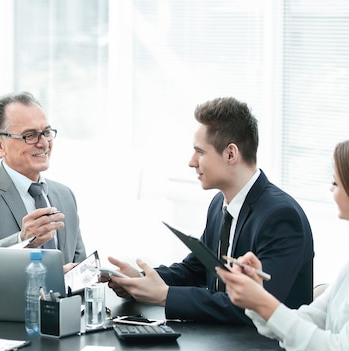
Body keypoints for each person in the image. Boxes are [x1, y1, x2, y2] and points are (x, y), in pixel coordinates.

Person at [104, 97, 314, 324]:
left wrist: (165, 296)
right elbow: (195, 269)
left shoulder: (280, 216)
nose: (192, 162)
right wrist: (141, 280)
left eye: (200, 152)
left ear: (230, 154)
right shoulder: (219, 203)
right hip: (223, 344)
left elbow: (257, 305)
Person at [216, 134, 349, 351]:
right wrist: (259, 298)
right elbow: (311, 319)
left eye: (336, 183)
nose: (330, 189)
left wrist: (264, 303)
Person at [0, 91, 86, 268]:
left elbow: (80, 265)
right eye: (30, 135)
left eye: (46, 132)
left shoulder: (65, 195)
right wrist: (22, 240)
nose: (44, 143)